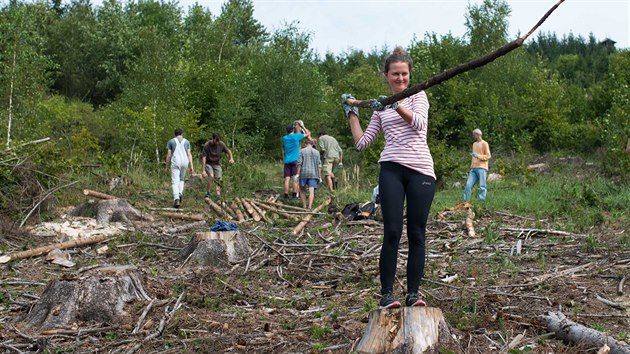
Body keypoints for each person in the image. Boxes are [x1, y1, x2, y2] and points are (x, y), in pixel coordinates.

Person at [341, 46, 436, 310]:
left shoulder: (418, 96)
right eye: (395, 74)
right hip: (391, 169)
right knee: (392, 231)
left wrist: (398, 106)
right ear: (386, 75)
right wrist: (352, 113)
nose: (401, 79)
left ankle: (413, 293)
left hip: (421, 171)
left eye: (404, 74)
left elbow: (418, 123)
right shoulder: (381, 106)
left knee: (417, 233)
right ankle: (386, 295)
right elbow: (363, 143)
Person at [281, 120, 311, 200]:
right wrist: (302, 126)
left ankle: (286, 195)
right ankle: (294, 195)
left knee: (287, 179)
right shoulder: (296, 136)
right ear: (293, 130)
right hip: (295, 160)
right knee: (295, 178)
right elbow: (308, 134)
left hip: (287, 161)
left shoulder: (284, 138)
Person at [165, 128, 194, 208]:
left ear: (175, 134)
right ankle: (180, 193)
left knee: (175, 181)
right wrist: (191, 166)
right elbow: (189, 154)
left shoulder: (171, 141)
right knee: (181, 179)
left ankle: (176, 198)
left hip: (176, 161)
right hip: (185, 161)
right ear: (182, 133)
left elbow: (169, 155)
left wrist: (166, 166)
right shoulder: (187, 142)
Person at [201, 132, 235, 199]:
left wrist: (231, 158)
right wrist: (203, 170)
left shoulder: (221, 144)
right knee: (211, 176)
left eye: (218, 140)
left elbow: (228, 151)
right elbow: (204, 158)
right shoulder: (207, 145)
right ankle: (208, 193)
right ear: (213, 139)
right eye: (216, 140)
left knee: (218, 179)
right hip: (208, 163)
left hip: (217, 163)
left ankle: (218, 195)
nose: (217, 142)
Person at [463, 128, 491, 203]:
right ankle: (465, 202)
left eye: (474, 134)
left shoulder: (485, 143)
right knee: (468, 185)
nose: (473, 136)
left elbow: (488, 156)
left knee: (482, 186)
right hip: (473, 168)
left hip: (482, 168)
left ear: (478, 134)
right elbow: (474, 156)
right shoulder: (474, 144)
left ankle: (481, 202)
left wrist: (478, 156)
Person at [296, 139, 321, 209]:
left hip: (303, 173)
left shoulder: (302, 151)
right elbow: (319, 165)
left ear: (305, 144)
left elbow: (299, 164)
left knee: (302, 190)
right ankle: (309, 206)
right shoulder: (317, 152)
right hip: (314, 173)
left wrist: (297, 174)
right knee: (311, 191)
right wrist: (320, 176)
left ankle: (304, 206)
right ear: (312, 144)